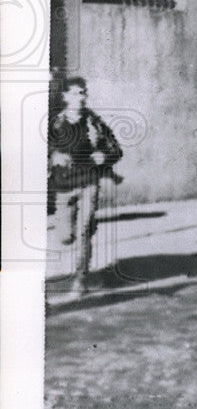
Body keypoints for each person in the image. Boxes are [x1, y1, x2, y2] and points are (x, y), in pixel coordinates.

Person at [48, 76, 123, 298]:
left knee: (83, 232)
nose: (80, 98)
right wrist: (53, 157)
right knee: (65, 236)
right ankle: (82, 231)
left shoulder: (93, 122)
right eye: (75, 94)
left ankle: (81, 279)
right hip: (64, 185)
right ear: (65, 97)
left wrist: (105, 156)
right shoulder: (56, 123)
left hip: (89, 182)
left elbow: (115, 149)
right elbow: (40, 150)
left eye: (83, 93)